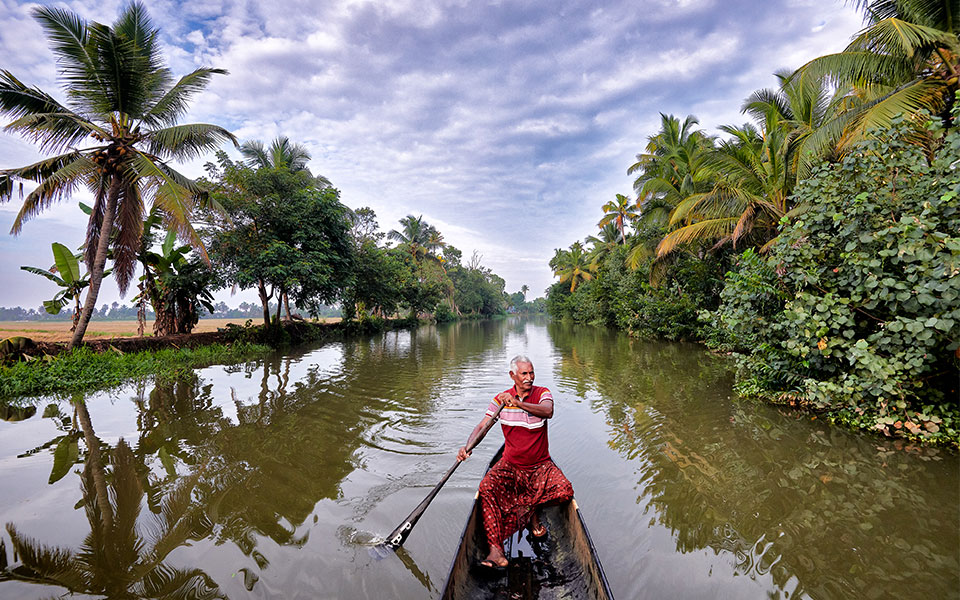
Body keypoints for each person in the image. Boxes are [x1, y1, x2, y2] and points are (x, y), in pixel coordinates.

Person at [457, 354, 574, 568]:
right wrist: (468, 447)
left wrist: (518, 404)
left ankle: (528, 510)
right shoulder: (500, 400)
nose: (529, 377)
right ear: (512, 375)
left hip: (541, 465)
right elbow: (482, 426)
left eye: (531, 373)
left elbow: (548, 411)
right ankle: (496, 552)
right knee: (486, 488)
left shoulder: (542, 393)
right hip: (510, 464)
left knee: (565, 491)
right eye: (524, 374)